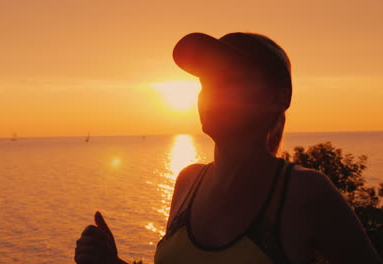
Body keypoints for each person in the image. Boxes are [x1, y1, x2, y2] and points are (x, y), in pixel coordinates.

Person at [74, 32, 382, 264]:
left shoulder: (305, 191)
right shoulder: (188, 181)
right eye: (207, 82)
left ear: (278, 98)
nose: (211, 94)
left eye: (230, 80)